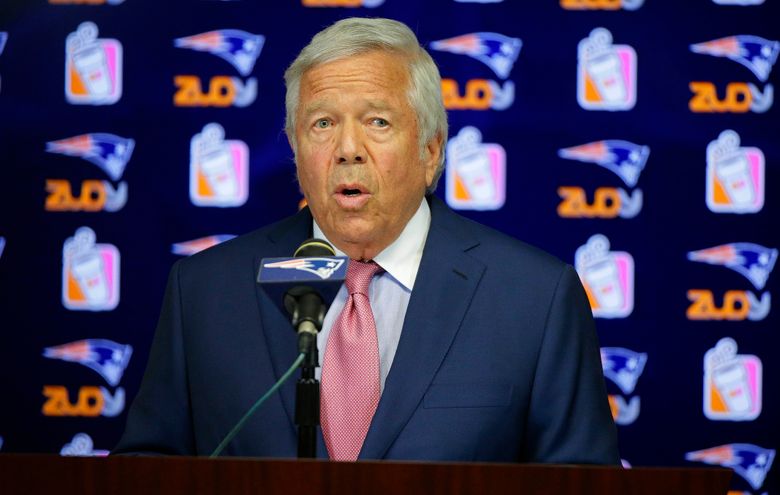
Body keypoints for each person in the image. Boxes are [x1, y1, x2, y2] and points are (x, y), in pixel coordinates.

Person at [114, 17, 620, 464]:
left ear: (430, 150)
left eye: (377, 122)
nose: (347, 149)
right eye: (323, 124)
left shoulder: (533, 298)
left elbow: (579, 482)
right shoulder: (205, 290)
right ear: (295, 148)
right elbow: (147, 466)